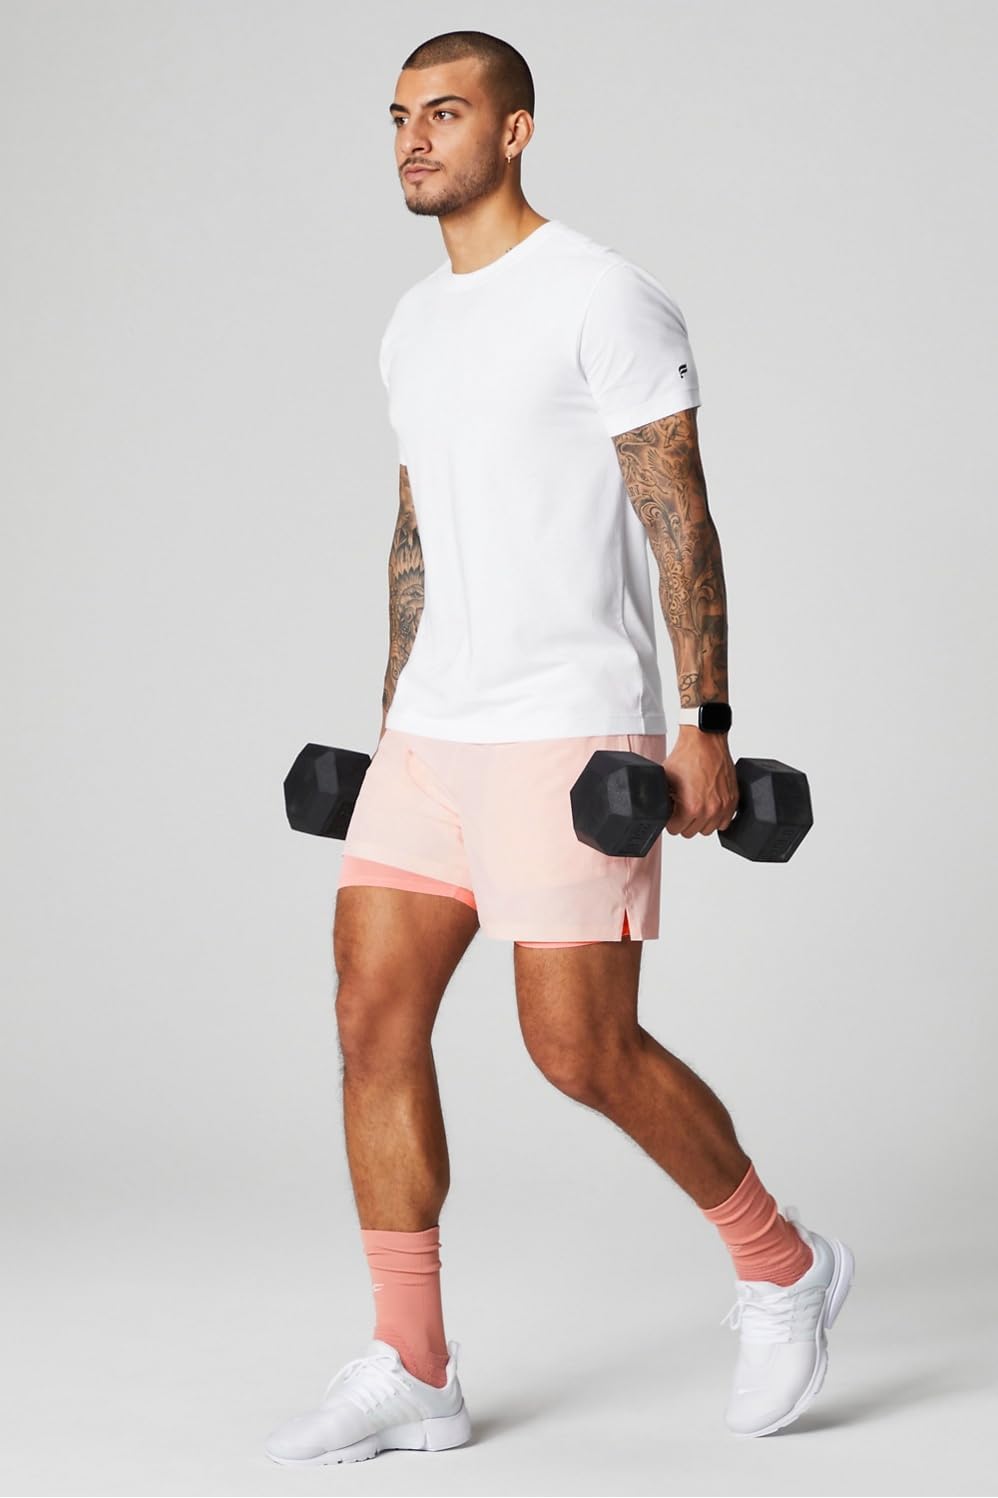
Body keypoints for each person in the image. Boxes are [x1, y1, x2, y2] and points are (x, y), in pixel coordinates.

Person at [265, 28, 854, 1468]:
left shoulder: (601, 294)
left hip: (567, 722)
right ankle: (414, 1364)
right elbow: (416, 530)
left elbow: (677, 512)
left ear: (516, 130)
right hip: (432, 734)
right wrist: (392, 712)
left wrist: (705, 722)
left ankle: (782, 1263)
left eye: (446, 113)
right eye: (398, 117)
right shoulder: (413, 323)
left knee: (578, 1047)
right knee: (370, 1019)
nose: (414, 139)